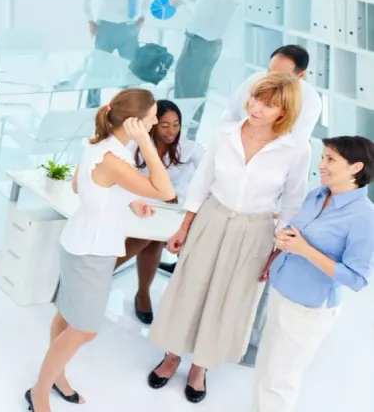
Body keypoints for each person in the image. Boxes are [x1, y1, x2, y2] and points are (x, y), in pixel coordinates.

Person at [148, 72, 310, 403]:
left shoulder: (295, 149)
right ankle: (172, 355)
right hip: (212, 217)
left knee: (229, 299)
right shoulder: (225, 133)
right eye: (256, 99)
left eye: (268, 105)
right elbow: (202, 182)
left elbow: (293, 203)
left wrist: (278, 252)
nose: (257, 108)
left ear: (284, 111)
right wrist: (184, 227)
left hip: (255, 231)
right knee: (189, 288)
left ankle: (201, 367)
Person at [27, 88, 176, 412]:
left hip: (80, 242)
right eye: (152, 117)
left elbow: (81, 184)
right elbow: (165, 190)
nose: (155, 122)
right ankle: (39, 391)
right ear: (135, 122)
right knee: (84, 329)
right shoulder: (115, 158)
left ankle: (56, 378)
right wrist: (147, 144)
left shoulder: (101, 146)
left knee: (67, 317)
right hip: (91, 252)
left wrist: (128, 200)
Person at [253, 136, 374, 412]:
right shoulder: (317, 195)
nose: (321, 165)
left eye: (330, 159)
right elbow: (295, 234)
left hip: (308, 309)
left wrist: (305, 250)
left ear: (356, 167)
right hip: (280, 290)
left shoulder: (365, 217)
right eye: (323, 157)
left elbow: (357, 278)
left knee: (280, 381)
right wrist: (275, 255)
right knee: (265, 367)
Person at [117, 99, 204, 323]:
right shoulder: (136, 146)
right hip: (142, 205)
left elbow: (209, 173)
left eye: (176, 125)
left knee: (153, 239)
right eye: (165, 125)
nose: (171, 131)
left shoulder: (188, 147)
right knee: (146, 238)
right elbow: (121, 176)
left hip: (172, 209)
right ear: (153, 124)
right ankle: (129, 286)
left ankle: (138, 290)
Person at [172, 0, 239, 99]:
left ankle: (185, 117)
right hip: (209, 45)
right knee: (196, 91)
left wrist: (182, 4)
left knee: (186, 92)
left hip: (198, 45)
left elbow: (198, 16)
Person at [223, 45, 321, 141]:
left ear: (301, 75)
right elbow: (231, 117)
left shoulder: (310, 100)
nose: (271, 79)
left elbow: (296, 141)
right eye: (269, 71)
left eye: (280, 76)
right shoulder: (254, 80)